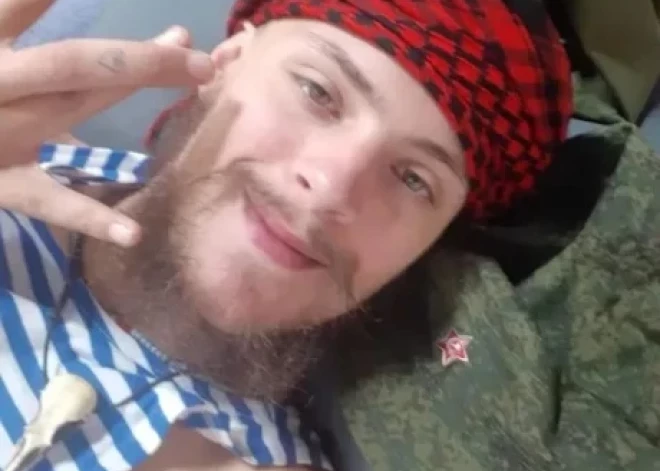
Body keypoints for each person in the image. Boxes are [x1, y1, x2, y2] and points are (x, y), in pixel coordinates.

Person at [0, 0, 573, 470]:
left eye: (413, 179)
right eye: (318, 92)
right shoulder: (27, 151)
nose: (330, 189)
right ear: (227, 62)